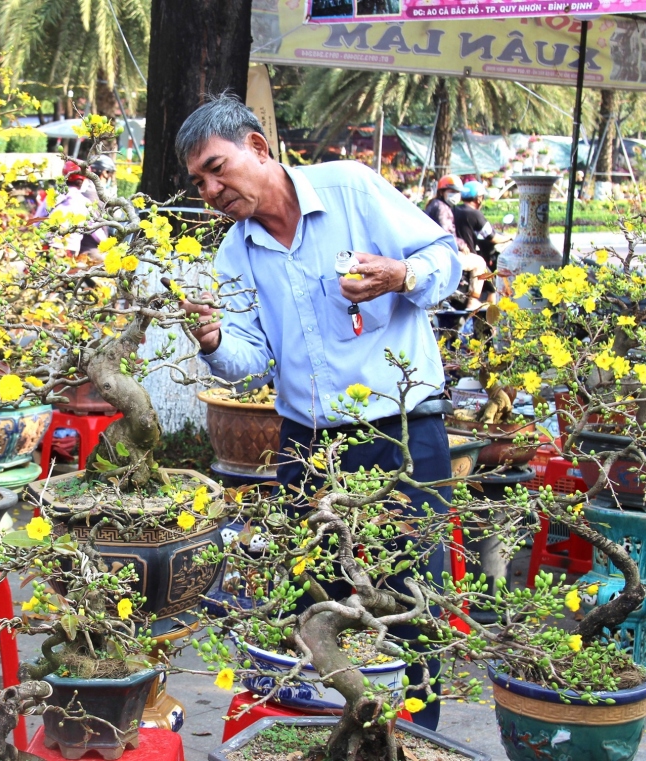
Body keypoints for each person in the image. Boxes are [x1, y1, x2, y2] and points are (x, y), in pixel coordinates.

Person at [175, 95, 461, 732]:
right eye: (199, 182)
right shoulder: (235, 255)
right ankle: (337, 733)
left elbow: (446, 259)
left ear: (257, 146)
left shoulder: (352, 188)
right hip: (306, 445)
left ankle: (414, 736)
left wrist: (400, 273)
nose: (212, 189)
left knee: (411, 598)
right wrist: (216, 340)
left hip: (401, 432)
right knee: (315, 599)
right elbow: (252, 360)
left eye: (218, 168)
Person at [452, 180, 503, 310]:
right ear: (479, 198)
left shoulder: (455, 209)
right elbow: (492, 237)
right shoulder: (474, 213)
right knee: (492, 287)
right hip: (469, 257)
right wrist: (510, 238)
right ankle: (486, 319)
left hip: (455, 253)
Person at [44, 160, 106, 260]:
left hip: (46, 248)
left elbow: (36, 221)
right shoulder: (84, 202)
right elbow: (95, 229)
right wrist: (109, 245)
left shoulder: (52, 197)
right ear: (83, 180)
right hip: (68, 252)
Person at [424, 175, 465, 248]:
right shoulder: (442, 208)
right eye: (452, 191)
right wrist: (462, 245)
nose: (455, 195)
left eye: (457, 192)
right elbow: (446, 234)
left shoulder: (437, 203)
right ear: (441, 192)